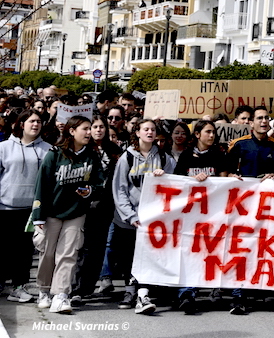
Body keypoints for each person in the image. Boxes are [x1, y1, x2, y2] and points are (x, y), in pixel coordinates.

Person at [31, 116, 104, 315]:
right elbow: (42, 185)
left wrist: (90, 191)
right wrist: (38, 215)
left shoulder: (92, 155)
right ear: (72, 131)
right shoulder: (54, 154)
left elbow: (100, 183)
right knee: (48, 252)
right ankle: (44, 290)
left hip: (77, 212)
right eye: (85, 129)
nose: (89, 133)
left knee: (69, 253)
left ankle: (61, 295)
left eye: (90, 129)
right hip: (52, 212)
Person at [111, 119, 176, 314]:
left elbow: (173, 188)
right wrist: (130, 215)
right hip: (129, 219)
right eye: (145, 129)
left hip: (152, 220)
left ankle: (143, 292)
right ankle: (130, 291)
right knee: (128, 257)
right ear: (137, 133)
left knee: (148, 257)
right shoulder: (126, 158)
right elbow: (120, 189)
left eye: (153, 130)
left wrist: (164, 177)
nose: (149, 132)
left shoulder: (165, 159)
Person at [225, 106, 274, 314]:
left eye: (266, 118)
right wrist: (231, 177)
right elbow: (226, 173)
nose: (263, 121)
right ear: (250, 123)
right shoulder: (239, 146)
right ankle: (238, 296)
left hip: (269, 209)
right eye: (259, 118)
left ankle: (261, 291)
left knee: (265, 249)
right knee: (242, 249)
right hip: (243, 209)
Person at [173, 120, 230, 314]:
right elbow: (177, 182)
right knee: (190, 253)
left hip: (213, 213)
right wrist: (192, 181)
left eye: (213, 132)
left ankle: (213, 289)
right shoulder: (186, 156)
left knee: (211, 252)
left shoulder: (219, 155)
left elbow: (224, 182)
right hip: (191, 214)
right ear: (197, 134)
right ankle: (187, 294)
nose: (212, 136)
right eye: (208, 132)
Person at [0, 110, 53, 302]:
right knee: (3, 248)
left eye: (39, 122)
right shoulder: (4, 147)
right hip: (4, 207)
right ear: (22, 124)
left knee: (23, 251)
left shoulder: (48, 149)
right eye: (31, 121)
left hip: (31, 210)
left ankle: (18, 286)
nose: (35, 125)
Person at [71, 115, 122, 303]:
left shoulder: (115, 150)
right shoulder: (83, 150)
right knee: (80, 248)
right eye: (94, 127)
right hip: (83, 204)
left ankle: (87, 287)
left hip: (106, 205)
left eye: (102, 126)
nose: (99, 130)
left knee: (97, 249)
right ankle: (75, 287)